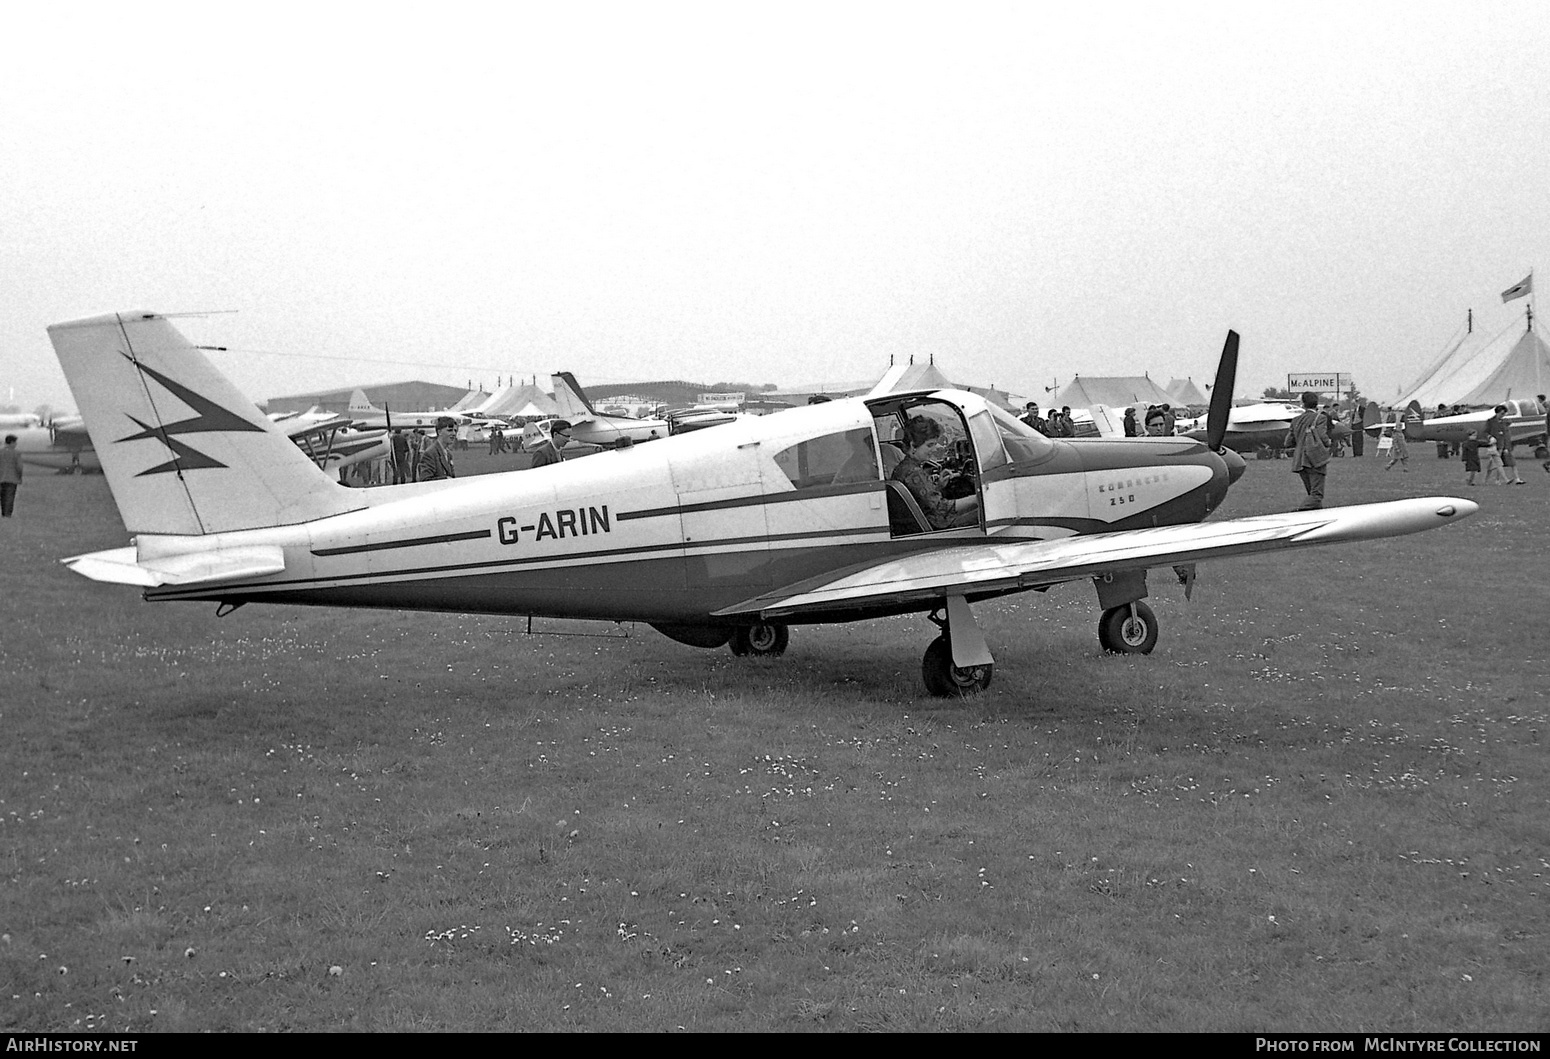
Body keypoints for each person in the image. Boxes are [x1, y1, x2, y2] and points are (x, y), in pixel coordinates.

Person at [890, 416, 978, 529]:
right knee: (983, 512)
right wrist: (977, 498)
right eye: (929, 445)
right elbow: (942, 508)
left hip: (930, 521)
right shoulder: (913, 473)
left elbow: (926, 503)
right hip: (937, 525)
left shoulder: (904, 468)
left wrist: (939, 486)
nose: (934, 449)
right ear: (913, 445)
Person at [1288, 391, 1331, 509]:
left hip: (1300, 461)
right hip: (1315, 460)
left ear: (1303, 403)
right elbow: (1322, 436)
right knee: (1316, 495)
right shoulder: (1320, 417)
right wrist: (1328, 442)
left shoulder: (1296, 420)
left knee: (1311, 494)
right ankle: (1299, 512)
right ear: (1316, 403)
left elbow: (1288, 442)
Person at [0, 434, 23, 517]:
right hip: (12, 477)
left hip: (1, 477)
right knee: (10, 496)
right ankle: (8, 513)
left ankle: (3, 511)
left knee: (3, 495)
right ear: (12, 443)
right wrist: (20, 476)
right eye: (15, 442)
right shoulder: (16, 453)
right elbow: (19, 467)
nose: (16, 444)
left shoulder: (1, 452)